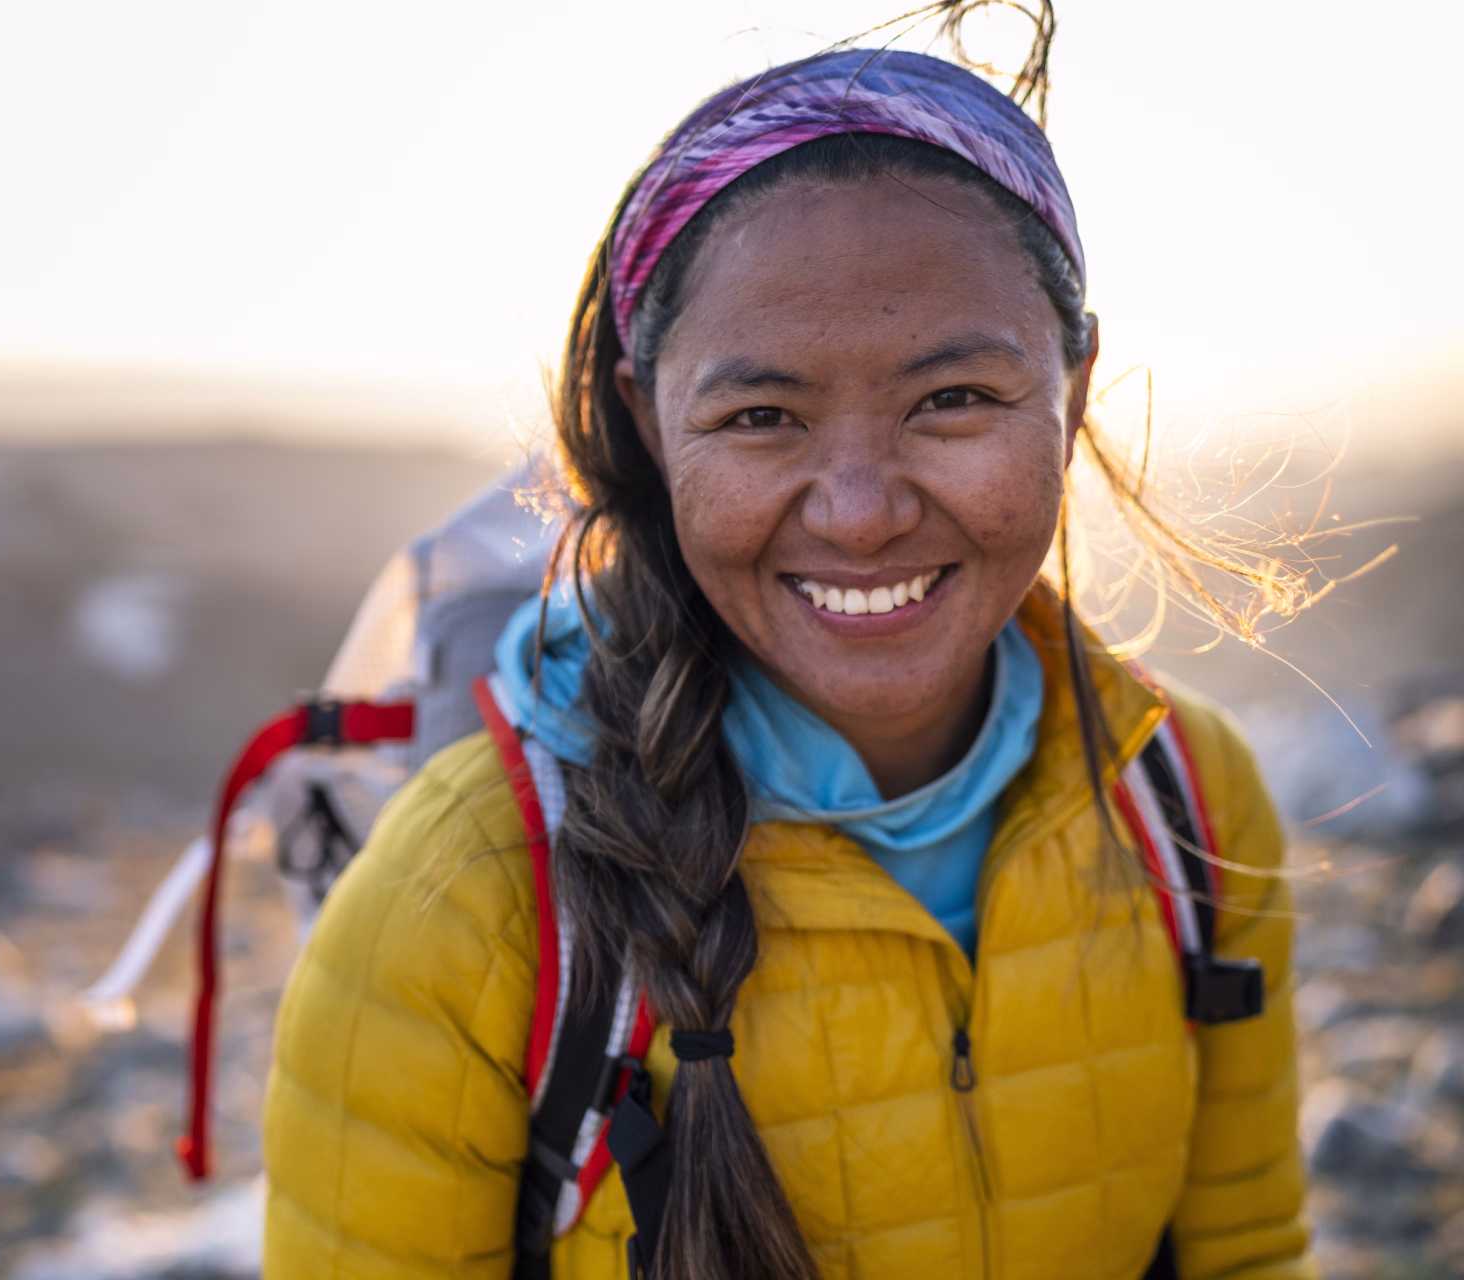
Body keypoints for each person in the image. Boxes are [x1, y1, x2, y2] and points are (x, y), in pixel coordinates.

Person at [260, 35, 1312, 1280]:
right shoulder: (464, 900)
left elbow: (1244, 1251)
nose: (860, 512)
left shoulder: (1183, 794)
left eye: (954, 399)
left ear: (1072, 391)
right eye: (761, 416)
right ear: (650, 421)